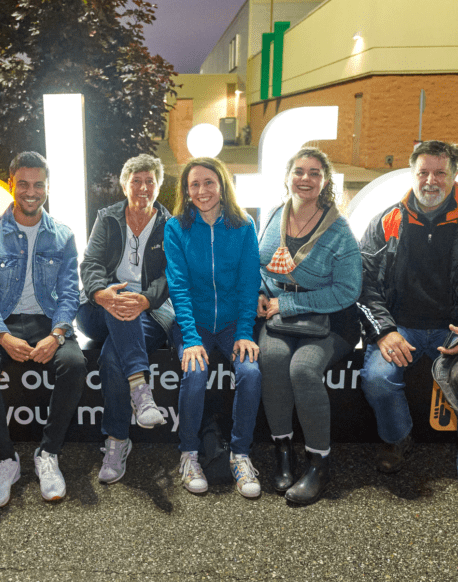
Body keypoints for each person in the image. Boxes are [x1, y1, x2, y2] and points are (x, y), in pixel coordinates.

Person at [0, 151, 86, 508]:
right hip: (1, 323)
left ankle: (48, 453)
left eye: (38, 185)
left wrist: (57, 334)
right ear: (11, 184)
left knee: (75, 365)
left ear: (47, 187)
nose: (31, 192)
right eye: (23, 184)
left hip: (48, 322)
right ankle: (5, 459)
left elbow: (68, 293)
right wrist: (2, 335)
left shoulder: (63, 235)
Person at [257, 147, 362, 505]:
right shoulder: (273, 215)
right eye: (299, 171)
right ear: (287, 177)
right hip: (278, 315)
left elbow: (348, 290)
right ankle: (283, 451)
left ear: (326, 181)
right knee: (271, 361)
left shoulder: (339, 231)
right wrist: (260, 292)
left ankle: (319, 462)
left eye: (314, 173)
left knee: (303, 370)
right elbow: (261, 265)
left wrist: (285, 303)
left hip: (330, 319)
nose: (305, 179)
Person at [359, 140, 458, 473]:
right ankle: (399, 439)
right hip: (400, 325)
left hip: (452, 329)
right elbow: (365, 284)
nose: (431, 180)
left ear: (454, 175)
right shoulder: (388, 221)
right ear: (412, 175)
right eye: (423, 172)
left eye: (440, 173)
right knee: (377, 378)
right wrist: (385, 332)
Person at [164, 157, 262, 497]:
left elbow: (250, 284)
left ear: (221, 185)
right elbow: (178, 286)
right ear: (186, 191)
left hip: (235, 323)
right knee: (194, 370)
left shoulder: (244, 224)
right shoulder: (176, 227)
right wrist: (190, 337)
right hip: (197, 324)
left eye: (209, 182)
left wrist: (245, 332)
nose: (202, 190)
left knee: (250, 373)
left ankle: (240, 454)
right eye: (194, 185)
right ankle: (189, 454)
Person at [77, 154, 174, 484]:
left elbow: (173, 276)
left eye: (150, 181)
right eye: (136, 180)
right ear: (124, 185)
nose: (143, 187)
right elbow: (90, 265)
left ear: (159, 186)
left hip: (151, 311)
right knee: (120, 305)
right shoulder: (108, 219)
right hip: (99, 309)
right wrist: (102, 294)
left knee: (111, 358)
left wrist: (145, 299)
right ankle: (140, 390)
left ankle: (116, 442)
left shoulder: (169, 225)